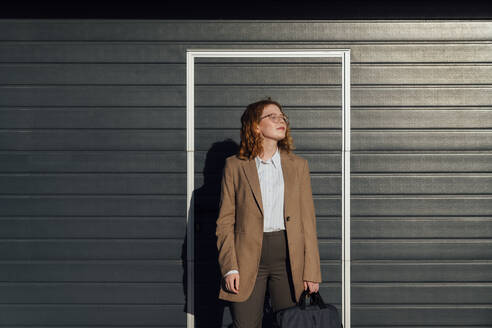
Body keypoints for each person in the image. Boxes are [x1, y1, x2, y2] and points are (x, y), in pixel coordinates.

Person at [215, 97, 322, 327]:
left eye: (282, 116)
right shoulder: (235, 166)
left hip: (288, 256)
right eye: (272, 117)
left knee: (291, 322)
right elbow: (225, 222)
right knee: (245, 324)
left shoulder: (298, 166)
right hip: (246, 256)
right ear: (255, 126)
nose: (280, 120)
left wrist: (311, 270)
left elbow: (308, 221)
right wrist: (229, 267)